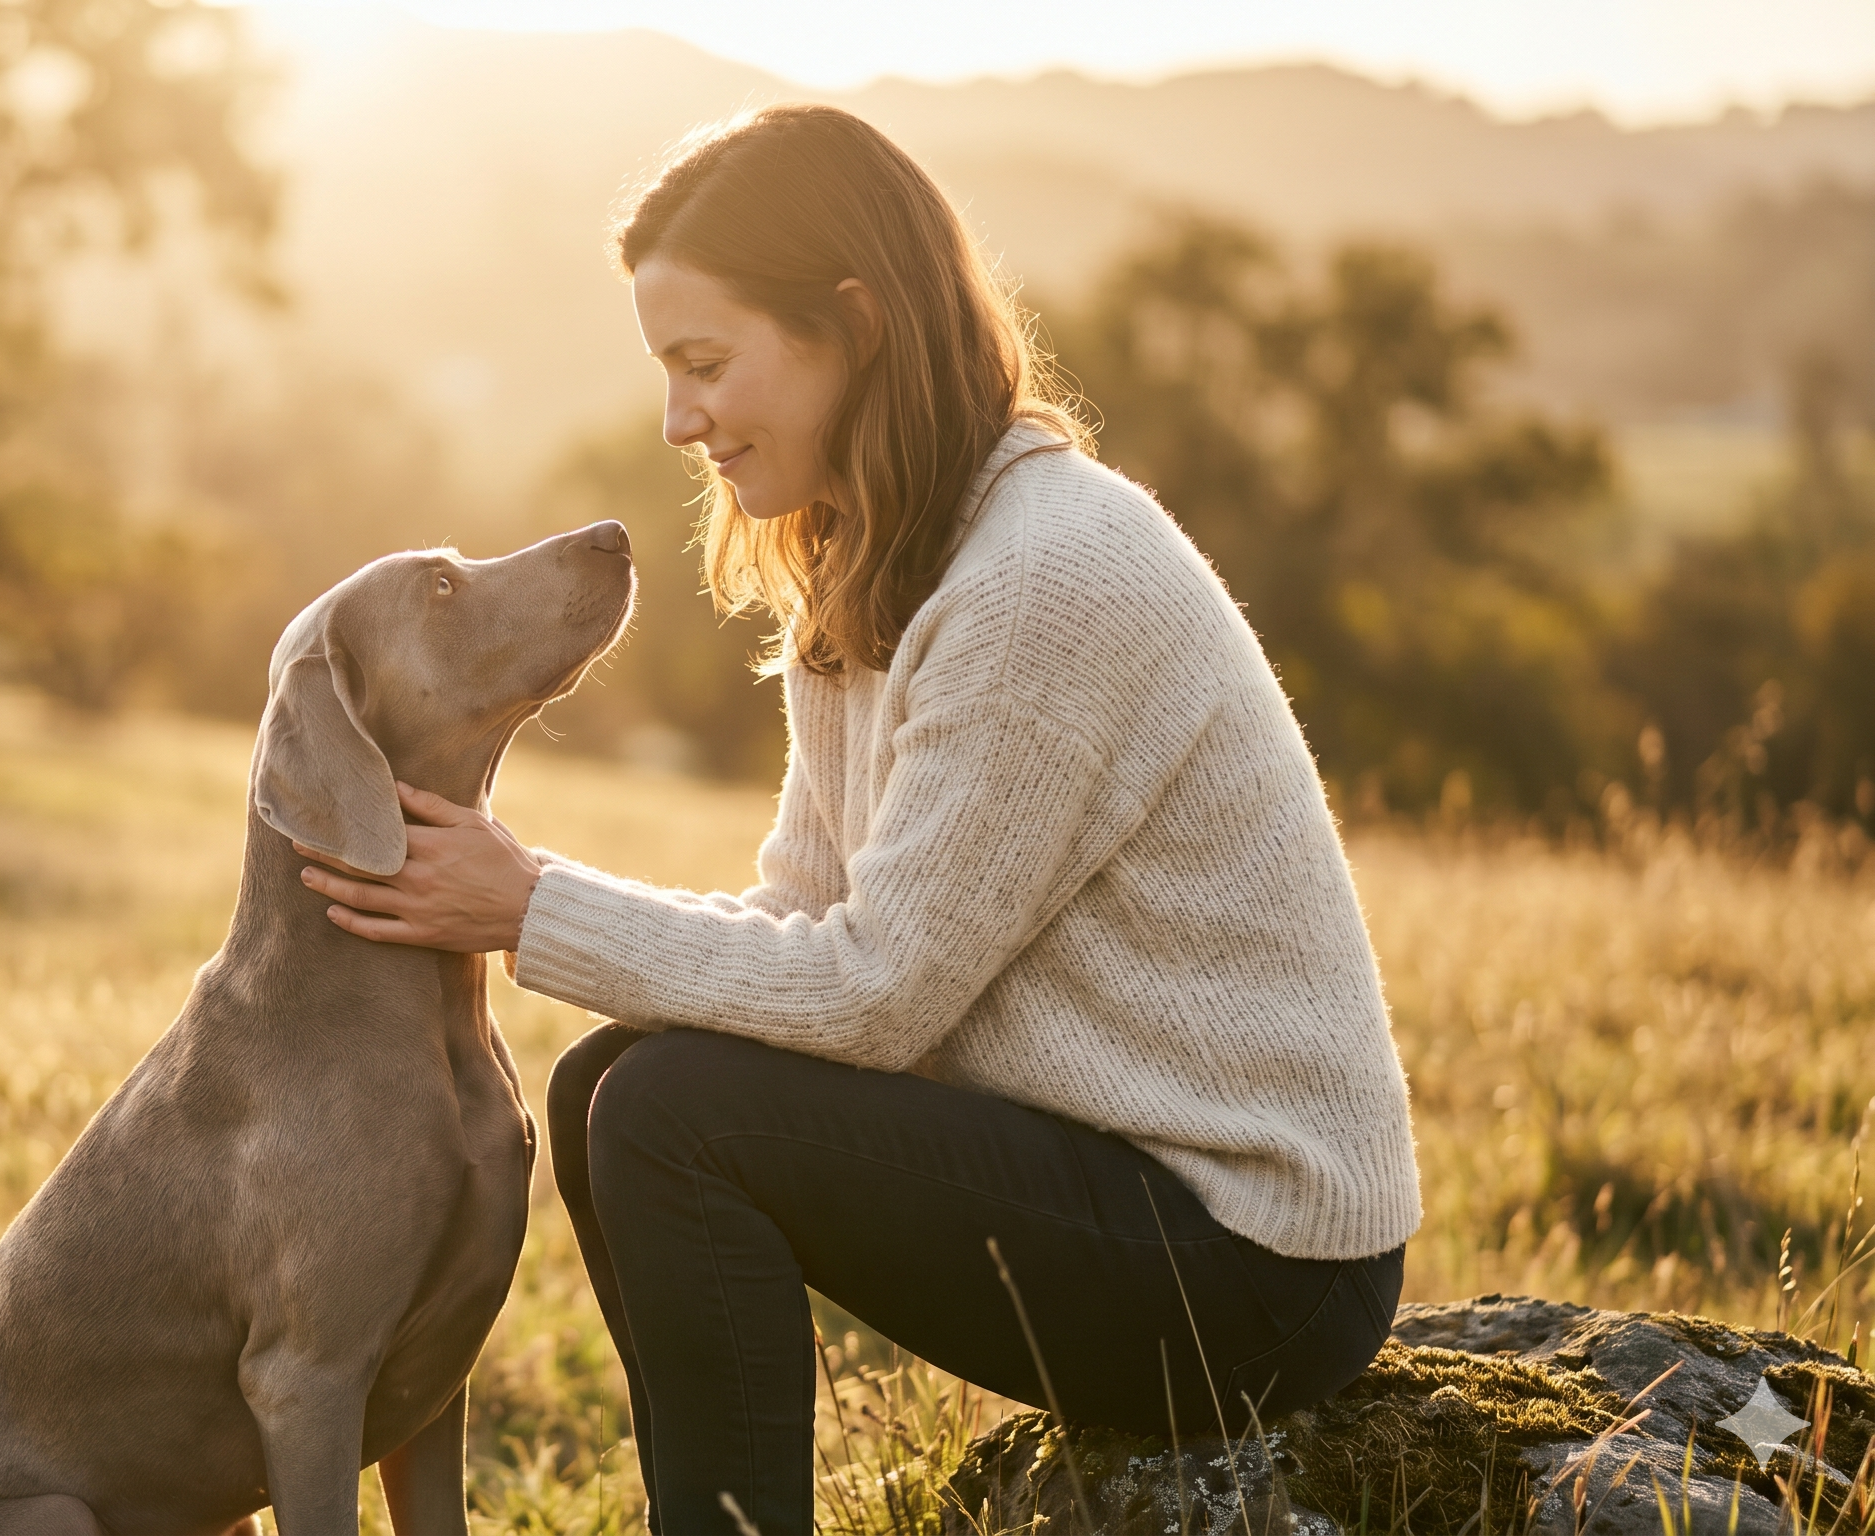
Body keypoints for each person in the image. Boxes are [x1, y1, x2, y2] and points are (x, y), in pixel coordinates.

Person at [292, 104, 1420, 1531]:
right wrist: (548, 916)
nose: (677, 419)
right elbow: (806, 913)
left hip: (1258, 1266)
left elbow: (878, 993)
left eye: (706, 364)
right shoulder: (873, 551)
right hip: (1130, 1189)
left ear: (853, 325)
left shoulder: (1039, 580)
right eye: (667, 372)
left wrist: (530, 907)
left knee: (669, 1120)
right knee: (609, 1090)